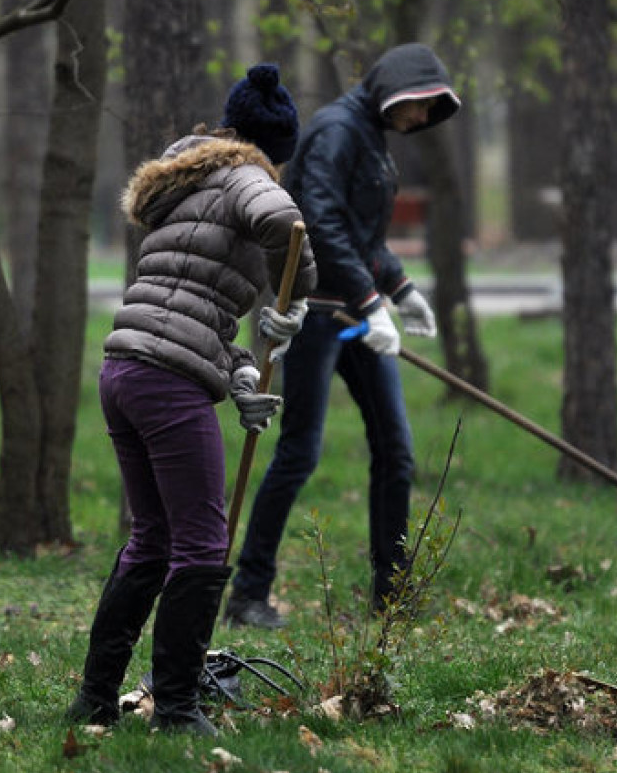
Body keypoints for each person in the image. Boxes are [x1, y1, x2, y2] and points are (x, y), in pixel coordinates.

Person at [65, 104, 316, 735]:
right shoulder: (248, 174)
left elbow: (192, 311)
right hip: (165, 381)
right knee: (202, 546)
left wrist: (241, 379)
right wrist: (297, 301)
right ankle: (177, 710)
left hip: (125, 370)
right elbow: (285, 224)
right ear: (270, 149)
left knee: (152, 540)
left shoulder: (189, 183)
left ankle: (95, 699)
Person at [224, 43, 461, 628]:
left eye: (432, 110)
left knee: (396, 450)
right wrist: (369, 299)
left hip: (357, 313)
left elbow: (364, 236)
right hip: (316, 315)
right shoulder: (336, 130)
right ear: (395, 91)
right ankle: (248, 594)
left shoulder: (370, 138)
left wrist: (401, 290)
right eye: (419, 106)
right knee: (299, 453)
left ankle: (391, 592)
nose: (422, 119)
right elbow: (319, 218)